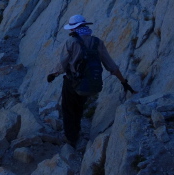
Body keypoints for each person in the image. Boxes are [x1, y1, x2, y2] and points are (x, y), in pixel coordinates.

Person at [47, 14, 136, 148]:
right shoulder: (97, 42)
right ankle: (76, 132)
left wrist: (53, 75)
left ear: (74, 29)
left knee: (68, 109)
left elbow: (63, 64)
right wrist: (123, 82)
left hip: (72, 82)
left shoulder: (71, 42)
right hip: (90, 83)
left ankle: (71, 138)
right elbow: (110, 65)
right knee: (79, 107)